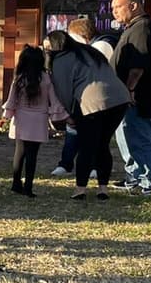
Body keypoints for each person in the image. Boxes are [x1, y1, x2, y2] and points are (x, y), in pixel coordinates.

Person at [46, 29, 130, 201]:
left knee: (87, 145)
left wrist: (71, 116)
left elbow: (64, 92)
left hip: (92, 103)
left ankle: (80, 189)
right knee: (103, 144)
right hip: (119, 99)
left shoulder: (61, 60)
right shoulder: (89, 51)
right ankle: (103, 188)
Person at [110, 0, 151, 196]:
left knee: (139, 136)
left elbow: (138, 65)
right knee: (125, 135)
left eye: (118, 7)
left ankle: (148, 182)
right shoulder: (132, 28)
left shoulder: (142, 28)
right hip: (125, 96)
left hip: (139, 96)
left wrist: (130, 89)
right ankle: (133, 176)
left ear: (133, 6)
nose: (114, 12)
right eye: (112, 9)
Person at [0, 45, 65, 197]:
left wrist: (6, 117)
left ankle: (16, 183)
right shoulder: (46, 78)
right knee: (32, 155)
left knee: (19, 152)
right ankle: (28, 186)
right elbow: (53, 101)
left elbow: (11, 101)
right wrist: (61, 117)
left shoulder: (19, 78)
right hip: (39, 119)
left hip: (22, 118)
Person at [51, 17, 93, 178]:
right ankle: (65, 163)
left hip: (90, 101)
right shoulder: (70, 55)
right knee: (72, 133)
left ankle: (93, 166)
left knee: (91, 136)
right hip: (75, 102)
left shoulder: (93, 51)